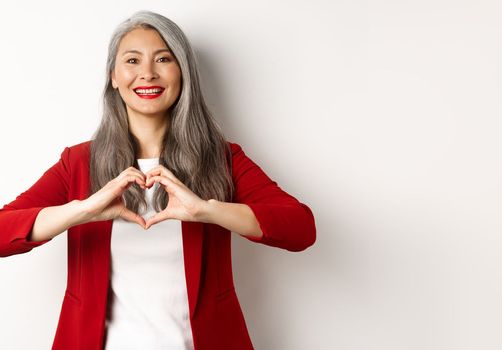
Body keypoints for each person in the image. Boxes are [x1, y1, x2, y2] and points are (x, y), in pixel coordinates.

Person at [0, 10, 316, 350]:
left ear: (183, 73)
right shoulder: (78, 163)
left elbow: (300, 229)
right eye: (132, 60)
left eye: (163, 58)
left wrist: (208, 211)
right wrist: (81, 210)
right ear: (114, 77)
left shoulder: (222, 159)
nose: (147, 73)